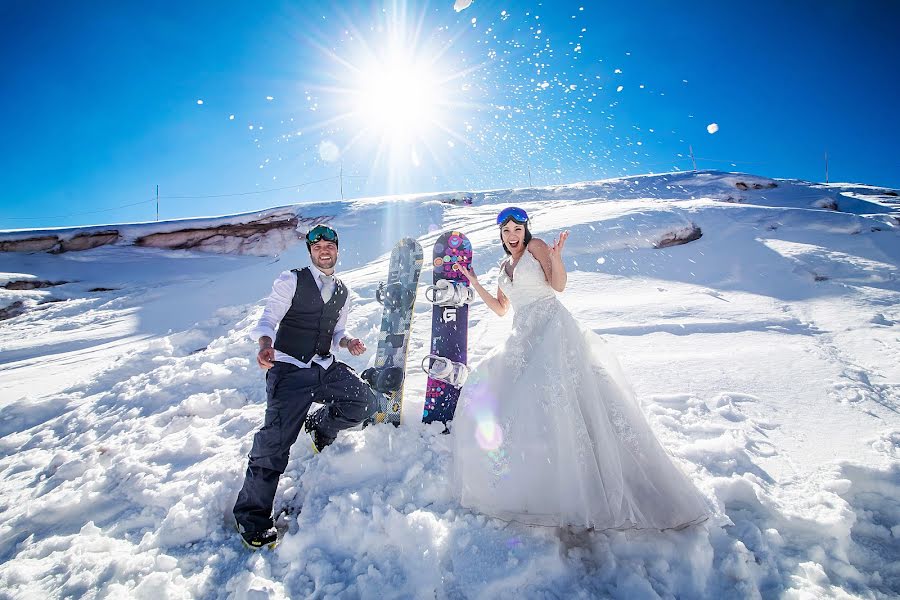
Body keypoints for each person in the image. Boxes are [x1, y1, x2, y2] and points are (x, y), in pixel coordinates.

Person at [453, 206, 709, 530]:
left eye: (517, 229)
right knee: (510, 399)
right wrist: (474, 281)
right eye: (506, 231)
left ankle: (596, 477)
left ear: (525, 230)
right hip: (522, 337)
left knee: (561, 398)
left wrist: (557, 258)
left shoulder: (537, 247)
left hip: (551, 329)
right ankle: (540, 481)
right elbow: (502, 309)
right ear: (501, 235)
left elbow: (558, 286)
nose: (512, 236)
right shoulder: (504, 266)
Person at [233, 224, 378, 549]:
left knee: (364, 403)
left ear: (337, 250)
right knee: (275, 442)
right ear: (310, 251)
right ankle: (250, 515)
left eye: (329, 245)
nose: (324, 250)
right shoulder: (291, 280)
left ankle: (319, 426)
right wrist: (265, 345)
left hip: (323, 367)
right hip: (289, 369)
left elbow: (336, 332)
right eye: (317, 246)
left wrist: (348, 340)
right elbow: (269, 319)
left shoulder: (343, 291)